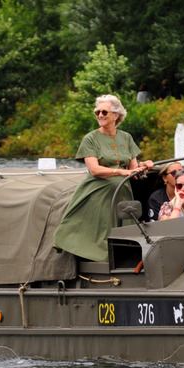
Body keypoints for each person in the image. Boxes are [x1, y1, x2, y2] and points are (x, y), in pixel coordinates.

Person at [54, 94, 154, 262]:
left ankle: (123, 263)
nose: (100, 115)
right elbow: (94, 170)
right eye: (97, 112)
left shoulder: (126, 137)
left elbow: (133, 170)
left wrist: (145, 165)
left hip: (122, 194)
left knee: (121, 232)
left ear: (116, 115)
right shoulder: (90, 138)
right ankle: (97, 265)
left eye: (104, 112)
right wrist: (120, 172)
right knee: (98, 233)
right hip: (97, 194)